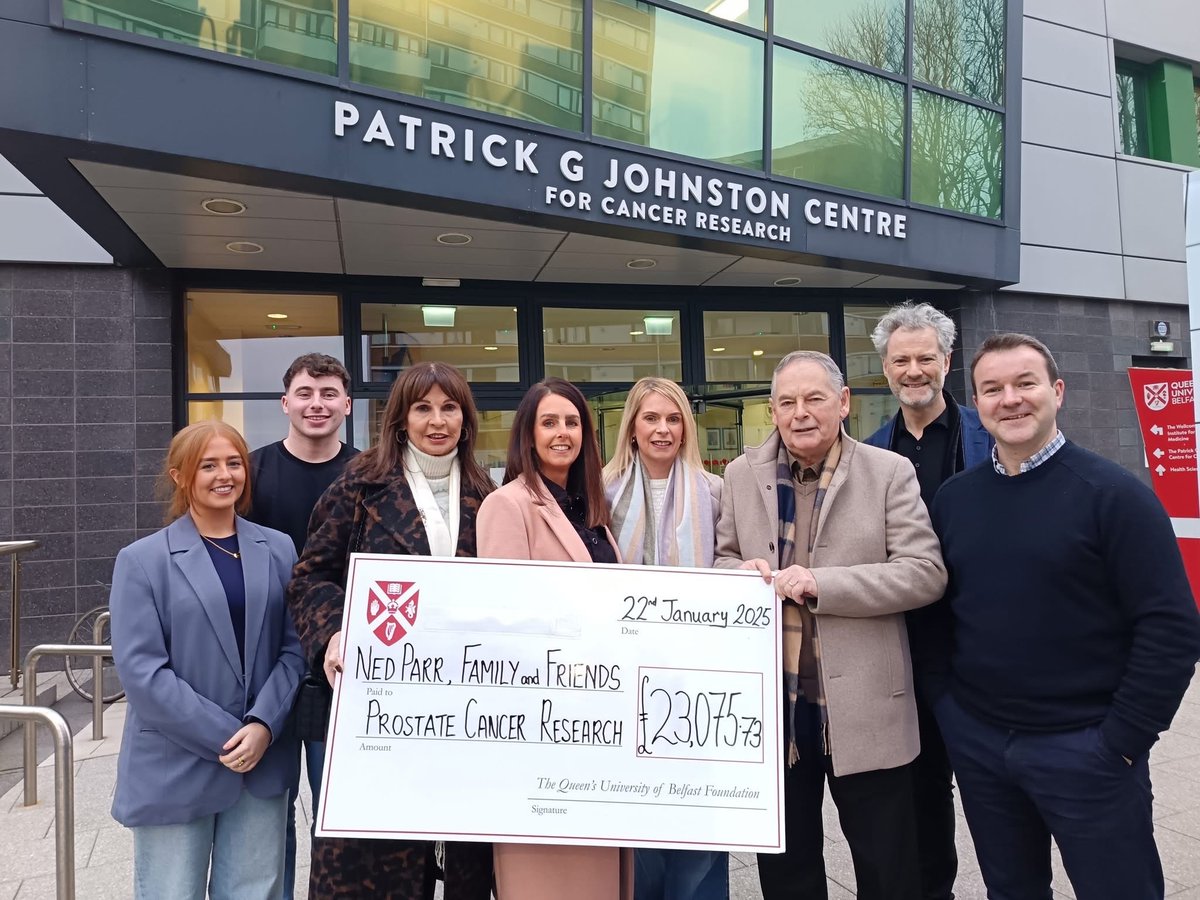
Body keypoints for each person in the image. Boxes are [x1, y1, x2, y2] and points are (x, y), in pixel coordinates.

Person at [930, 333, 1200, 900]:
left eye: (1025, 384)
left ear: (1057, 391)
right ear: (975, 404)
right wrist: (951, 711)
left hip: (1087, 748)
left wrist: (1123, 739)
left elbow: (1171, 625)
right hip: (982, 744)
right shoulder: (955, 500)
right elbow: (939, 612)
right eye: (992, 389)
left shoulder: (1114, 495)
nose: (1010, 400)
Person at [714, 350, 947, 900]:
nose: (800, 413)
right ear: (772, 411)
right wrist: (737, 572)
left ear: (843, 403)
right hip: (776, 716)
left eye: (814, 398)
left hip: (867, 711)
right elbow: (721, 560)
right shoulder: (740, 475)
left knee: (889, 872)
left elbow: (925, 573)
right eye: (786, 402)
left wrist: (824, 584)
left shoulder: (889, 472)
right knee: (788, 876)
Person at [286, 361, 494, 900]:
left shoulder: (485, 490)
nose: (437, 420)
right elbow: (311, 576)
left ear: (466, 419)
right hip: (380, 706)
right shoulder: (359, 483)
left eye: (449, 407)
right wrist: (333, 633)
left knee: (460, 851)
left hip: (464, 705)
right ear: (401, 418)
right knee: (378, 862)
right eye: (422, 407)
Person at [109, 421, 305, 899]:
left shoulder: (278, 548)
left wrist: (262, 726)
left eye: (234, 463)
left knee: (254, 891)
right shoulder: (142, 561)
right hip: (177, 760)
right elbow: (142, 673)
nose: (225, 475)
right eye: (208, 465)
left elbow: (294, 648)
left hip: (262, 758)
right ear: (180, 476)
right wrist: (228, 736)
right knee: (170, 890)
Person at [477, 377, 633, 900]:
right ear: (528, 433)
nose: (562, 433)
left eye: (572, 422)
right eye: (549, 422)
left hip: (597, 717)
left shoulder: (591, 507)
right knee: (544, 876)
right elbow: (502, 622)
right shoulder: (508, 504)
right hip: (541, 726)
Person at [863, 302, 993, 900]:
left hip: (978, 650)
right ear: (885, 369)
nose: (913, 370)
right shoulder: (867, 453)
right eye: (900, 360)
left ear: (947, 361)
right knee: (918, 793)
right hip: (898, 650)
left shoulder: (989, 437)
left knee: (994, 791)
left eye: (925, 358)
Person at [602, 377, 728, 900]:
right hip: (623, 680)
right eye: (651, 418)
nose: (663, 429)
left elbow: (729, 562)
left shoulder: (716, 491)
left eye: (673, 419)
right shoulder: (599, 491)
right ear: (631, 427)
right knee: (637, 819)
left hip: (696, 677)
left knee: (700, 815)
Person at [247, 352, 357, 900]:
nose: (318, 404)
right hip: (261, 666)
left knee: (333, 814)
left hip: (337, 667)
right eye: (307, 393)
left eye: (330, 393)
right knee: (266, 818)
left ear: (347, 404)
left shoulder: (370, 475)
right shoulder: (250, 473)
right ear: (285, 402)